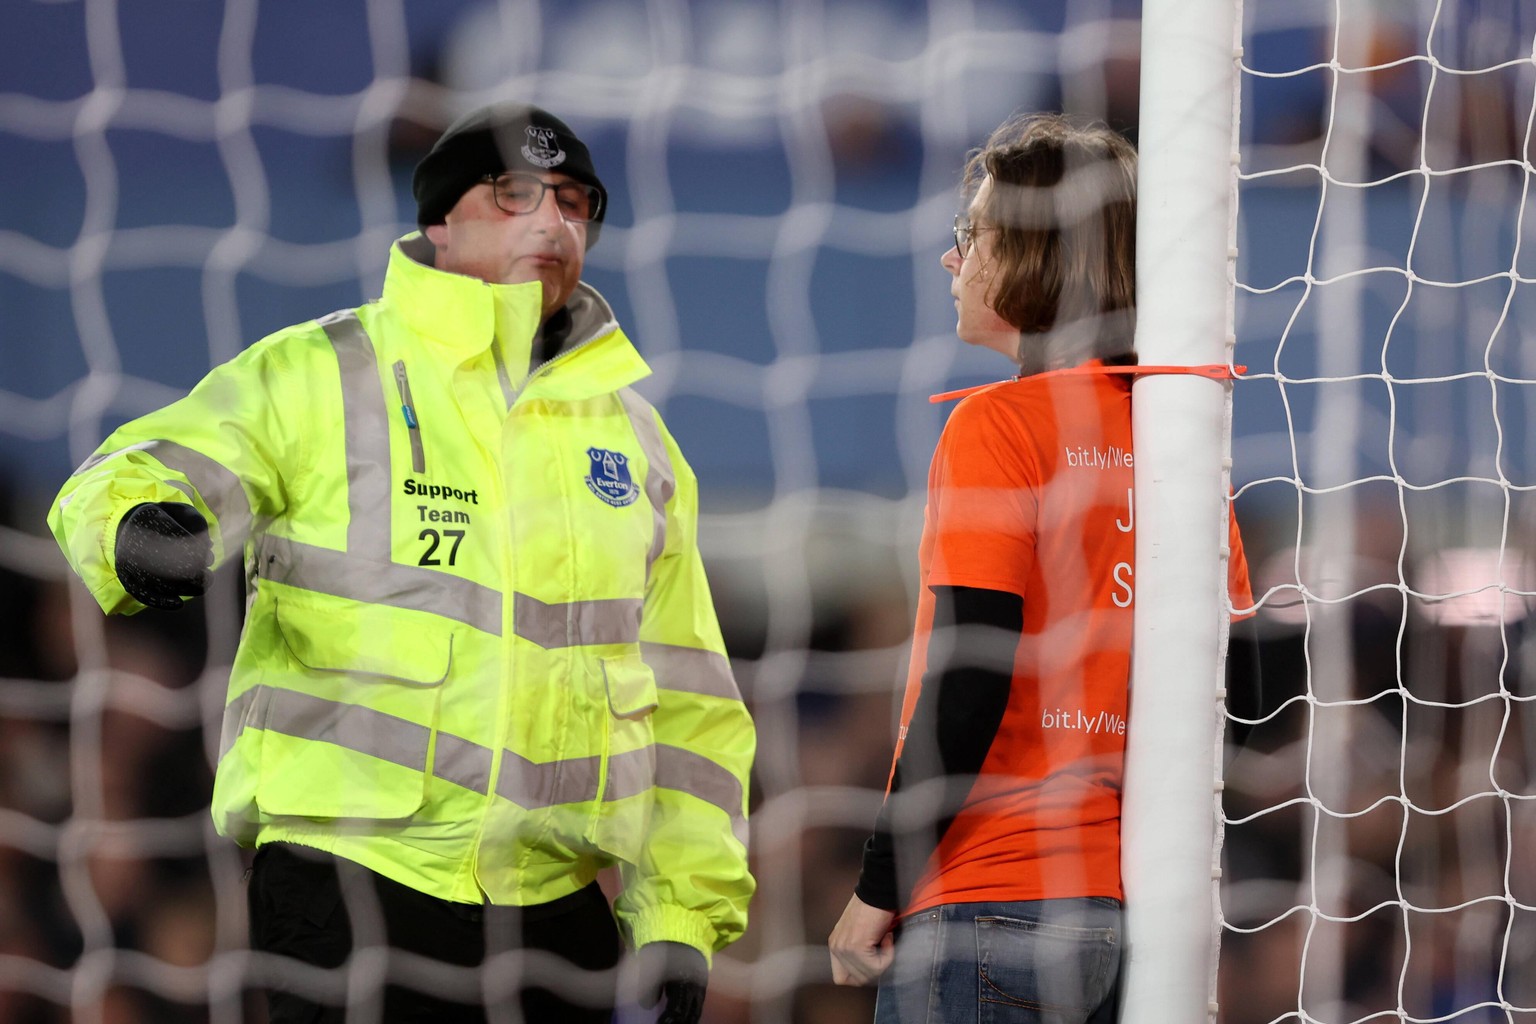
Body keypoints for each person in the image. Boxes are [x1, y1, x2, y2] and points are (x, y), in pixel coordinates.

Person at [48, 101, 755, 1024]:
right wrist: (142, 533)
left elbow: (692, 701)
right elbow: (124, 474)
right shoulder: (322, 372)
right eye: (515, 195)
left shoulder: (638, 443)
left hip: (555, 904)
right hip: (348, 879)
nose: (554, 222)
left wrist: (680, 917)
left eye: (577, 202)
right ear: (438, 220)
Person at [826, 112, 1256, 1021]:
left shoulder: (996, 426)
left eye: (969, 235)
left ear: (1034, 252)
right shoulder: (1182, 438)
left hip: (984, 906)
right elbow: (1242, 697)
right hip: (1128, 922)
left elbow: (971, 674)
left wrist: (877, 886)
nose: (953, 261)